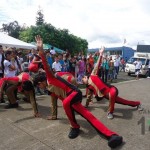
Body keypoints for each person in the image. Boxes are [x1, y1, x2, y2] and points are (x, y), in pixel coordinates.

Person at [34, 35, 123, 148]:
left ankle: (74, 126)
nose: (40, 88)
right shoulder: (49, 88)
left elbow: (46, 65)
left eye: (39, 86)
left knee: (66, 103)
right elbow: (59, 99)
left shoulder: (50, 78)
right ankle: (112, 136)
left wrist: (41, 51)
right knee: (89, 116)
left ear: (40, 82)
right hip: (70, 99)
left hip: (75, 93)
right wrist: (58, 114)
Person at [82, 47, 143, 119]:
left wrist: (101, 54)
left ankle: (110, 112)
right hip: (108, 96)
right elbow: (89, 97)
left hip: (112, 90)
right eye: (82, 80)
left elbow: (97, 64)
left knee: (112, 95)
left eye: (83, 78)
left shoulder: (93, 74)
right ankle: (138, 103)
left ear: (86, 77)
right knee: (124, 102)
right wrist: (86, 105)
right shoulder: (89, 87)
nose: (83, 79)